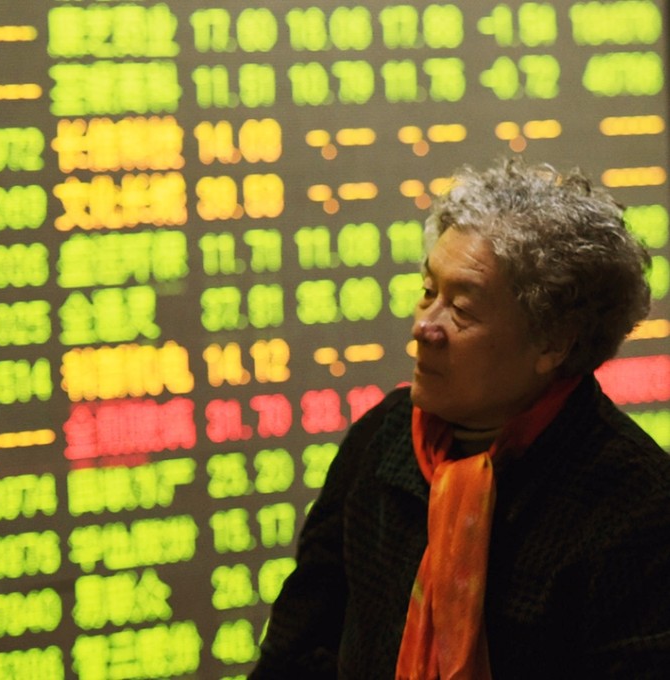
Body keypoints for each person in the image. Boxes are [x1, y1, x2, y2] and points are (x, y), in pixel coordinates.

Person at [249, 157, 670, 679]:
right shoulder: (384, 437)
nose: (423, 326)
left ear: (554, 342)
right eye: (429, 292)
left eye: (461, 310)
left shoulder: (635, 506)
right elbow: (299, 643)